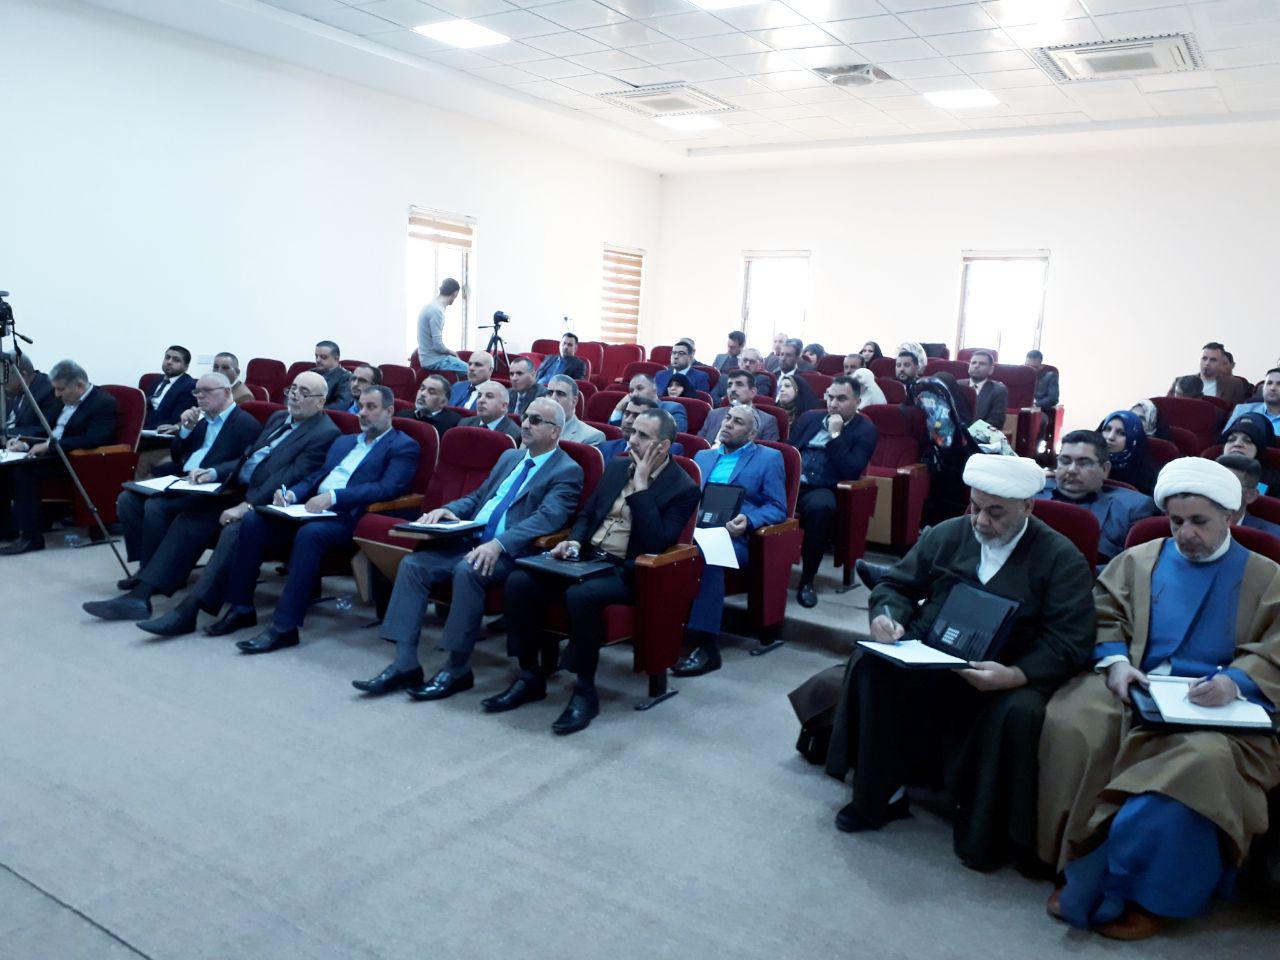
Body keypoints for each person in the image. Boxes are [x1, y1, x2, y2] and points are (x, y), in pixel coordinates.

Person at [1038, 458, 1280, 939]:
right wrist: (1115, 662)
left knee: (1203, 763)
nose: (1186, 533)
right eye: (1176, 521)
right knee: (1078, 722)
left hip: (1220, 708)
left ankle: (1147, 894)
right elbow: (1103, 614)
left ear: (1230, 516)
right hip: (1133, 684)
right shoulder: (1139, 560)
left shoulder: (1268, 576)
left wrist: (1237, 681)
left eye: (1199, 521)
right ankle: (1072, 861)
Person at [822, 455, 1095, 871]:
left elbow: (1069, 640)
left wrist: (1015, 675)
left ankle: (983, 830)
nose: (981, 521)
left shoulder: (1060, 557)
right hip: (934, 650)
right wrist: (887, 617)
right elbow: (896, 585)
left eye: (996, 513)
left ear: (1028, 507)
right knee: (873, 663)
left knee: (1020, 712)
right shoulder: (949, 533)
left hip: (1007, 668)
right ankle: (881, 795)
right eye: (975, 507)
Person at [352, 398, 583, 699]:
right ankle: (404, 663)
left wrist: (499, 544)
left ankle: (457, 667)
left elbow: (548, 518)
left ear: (555, 431)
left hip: (514, 552)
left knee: (467, 569)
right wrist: (447, 510)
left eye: (536, 420)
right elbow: (478, 498)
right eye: (526, 417)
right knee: (414, 565)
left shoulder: (567, 470)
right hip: (471, 539)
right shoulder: (510, 457)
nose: (526, 424)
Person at [495, 409, 700, 734]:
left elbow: (656, 543)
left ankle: (584, 690)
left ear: (663, 446)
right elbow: (588, 515)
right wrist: (574, 542)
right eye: (632, 432)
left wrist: (641, 486)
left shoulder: (683, 487)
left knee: (582, 595)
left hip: (630, 571)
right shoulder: (617, 467)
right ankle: (530, 674)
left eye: (643, 436)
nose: (632, 440)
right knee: (520, 580)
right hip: (588, 558)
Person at [130, 372, 342, 636]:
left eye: (304, 392)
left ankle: (189, 610)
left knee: (233, 531)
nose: (295, 396)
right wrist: (215, 472)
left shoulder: (325, 433)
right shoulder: (279, 418)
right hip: (238, 489)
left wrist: (247, 506)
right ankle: (143, 593)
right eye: (293, 388)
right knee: (193, 515)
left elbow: (288, 477)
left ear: (320, 402)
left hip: (271, 505)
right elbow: (247, 457)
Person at [212, 386, 418, 654]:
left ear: (389, 411)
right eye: (360, 406)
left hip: (351, 518)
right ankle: (241, 608)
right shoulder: (345, 442)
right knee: (254, 520)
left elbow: (387, 488)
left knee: (310, 535)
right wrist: (292, 493)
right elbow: (317, 476)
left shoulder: (403, 446)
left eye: (371, 407)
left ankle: (285, 627)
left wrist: (334, 497)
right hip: (311, 510)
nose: (362, 413)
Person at [82, 373, 264, 621]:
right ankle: (147, 568)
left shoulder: (245, 424)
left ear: (227, 393)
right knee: (128, 500)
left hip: (215, 491)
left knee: (156, 507)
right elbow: (179, 456)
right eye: (197, 392)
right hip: (183, 480)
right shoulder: (201, 421)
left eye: (207, 391)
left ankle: (150, 581)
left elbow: (246, 462)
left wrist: (213, 472)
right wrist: (186, 430)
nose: (200, 397)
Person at [672, 404, 787, 676]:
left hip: (736, 538)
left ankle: (707, 646)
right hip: (696, 529)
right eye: (727, 418)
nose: (728, 424)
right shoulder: (703, 456)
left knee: (709, 555)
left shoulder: (769, 458)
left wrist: (749, 520)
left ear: (752, 433)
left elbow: (778, 507)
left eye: (737, 422)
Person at [0, 360, 119, 554]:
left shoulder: (103, 403)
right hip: (53, 454)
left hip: (77, 460)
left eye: (60, 389)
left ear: (79, 386)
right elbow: (46, 429)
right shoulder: (64, 399)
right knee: (7, 466)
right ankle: (7, 529)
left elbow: (93, 439)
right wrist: (25, 443)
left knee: (23, 470)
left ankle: (31, 538)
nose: (56, 394)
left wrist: (50, 446)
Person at [788, 376, 877, 608]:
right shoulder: (810, 418)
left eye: (841, 399)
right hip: (791, 484)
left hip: (824, 487)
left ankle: (807, 580)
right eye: (830, 397)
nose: (833, 404)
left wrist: (836, 435)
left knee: (821, 508)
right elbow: (788, 451)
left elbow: (851, 469)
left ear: (857, 401)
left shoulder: (865, 429)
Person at [1035, 430, 1158, 565]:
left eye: (1084, 463)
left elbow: (1132, 568)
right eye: (1065, 461)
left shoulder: (1133, 507)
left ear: (1104, 469)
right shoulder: (1032, 492)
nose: (1071, 470)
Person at [698, 369, 779, 443]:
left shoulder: (767, 421)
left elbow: (764, 453)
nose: (732, 389)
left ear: (752, 392)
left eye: (739, 384)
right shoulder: (713, 414)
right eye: (729, 385)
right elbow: (700, 444)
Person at [599, 397, 684, 461]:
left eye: (637, 415)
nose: (628, 420)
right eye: (627, 413)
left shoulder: (669, 450)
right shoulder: (605, 447)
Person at [1217, 453, 1280, 538]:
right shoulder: (1198, 519)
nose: (1216, 489)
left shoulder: (1272, 536)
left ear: (1250, 496)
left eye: (1229, 485)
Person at [1169, 341, 1249, 406]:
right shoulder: (1180, 381)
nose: (1207, 363)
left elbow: (1237, 413)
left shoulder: (1234, 384)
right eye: (1204, 358)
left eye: (1213, 360)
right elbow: (1167, 406)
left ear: (1221, 363)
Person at [1098, 410, 1156, 494]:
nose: (1110, 437)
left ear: (1133, 439)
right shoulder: (1089, 460)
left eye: (1121, 433)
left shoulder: (1146, 478)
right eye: (1107, 429)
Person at [608, 373, 687, 434]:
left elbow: (675, 436)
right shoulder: (629, 409)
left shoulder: (673, 409)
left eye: (640, 388)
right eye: (631, 391)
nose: (634, 394)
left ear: (654, 389)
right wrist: (618, 409)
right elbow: (613, 434)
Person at [3, 352, 58, 439]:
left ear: (23, 375)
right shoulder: (13, 390)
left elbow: (42, 431)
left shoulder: (49, 391)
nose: (2, 384)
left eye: (5, 379)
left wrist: (3, 433)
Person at [416, 278, 466, 373]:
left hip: (426, 358)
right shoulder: (437, 311)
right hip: (434, 360)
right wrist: (452, 353)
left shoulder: (430, 306)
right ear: (455, 293)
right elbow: (438, 346)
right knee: (473, 372)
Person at [1220, 411, 1279, 491]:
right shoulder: (1208, 469)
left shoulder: (1274, 482)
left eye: (1248, 441)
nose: (1237, 444)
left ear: (1260, 448)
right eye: (1231, 439)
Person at [144, 345, 197, 432]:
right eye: (167, 357)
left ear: (186, 367)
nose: (169, 362)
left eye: (176, 360)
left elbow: (177, 418)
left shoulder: (189, 386)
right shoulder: (155, 380)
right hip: (142, 425)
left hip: (160, 430)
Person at [546, 375, 604, 447]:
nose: (552, 399)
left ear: (574, 401)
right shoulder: (535, 426)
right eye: (550, 393)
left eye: (560, 394)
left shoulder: (592, 437)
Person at [395, 374, 461, 436]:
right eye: (422, 388)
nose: (423, 394)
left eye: (431, 392)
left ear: (443, 402)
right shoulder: (401, 415)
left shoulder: (453, 425)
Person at [960, 350, 1008, 430]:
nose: (976, 366)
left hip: (979, 435)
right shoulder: (957, 385)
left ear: (991, 370)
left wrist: (969, 432)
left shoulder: (998, 390)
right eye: (973, 363)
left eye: (982, 364)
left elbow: (997, 421)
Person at [1230, 366, 1280, 432]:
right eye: (1269, 383)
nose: (1272, 388)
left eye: (1279, 384)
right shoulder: (1242, 410)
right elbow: (1225, 437)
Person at [313, 340, 353, 411]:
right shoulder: (310, 373)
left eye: (323, 357)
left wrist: (313, 410)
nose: (318, 360)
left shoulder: (346, 377)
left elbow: (342, 405)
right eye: (316, 356)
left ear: (336, 358)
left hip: (324, 414)